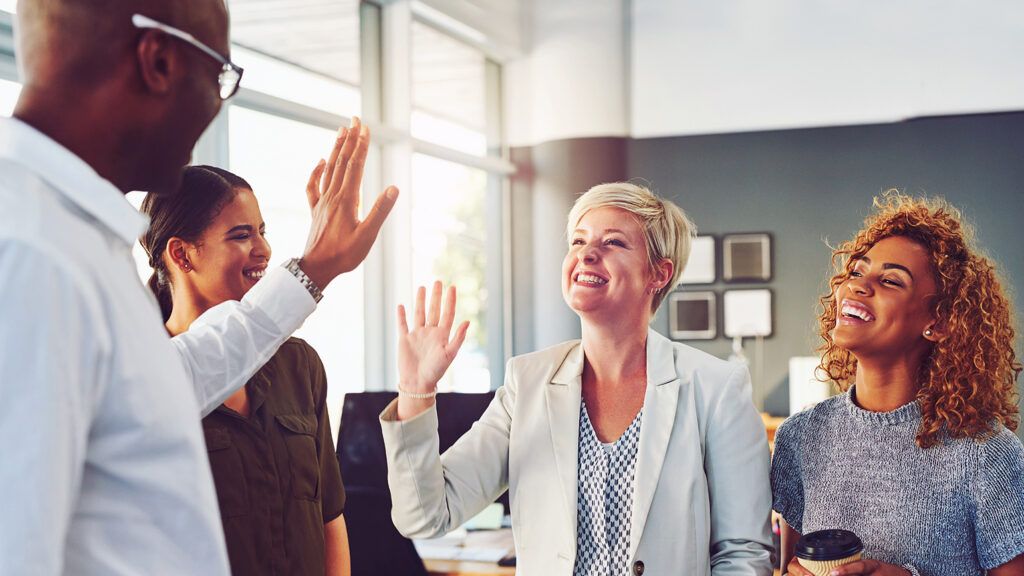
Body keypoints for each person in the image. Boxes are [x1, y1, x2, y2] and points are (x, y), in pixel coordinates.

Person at [0, 0, 397, 573]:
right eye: (219, 76)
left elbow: (172, 380)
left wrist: (314, 269)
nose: (217, 103)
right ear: (157, 60)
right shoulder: (30, 254)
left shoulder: (71, 238)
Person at [381, 182, 774, 575]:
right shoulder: (527, 384)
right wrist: (417, 390)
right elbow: (426, 516)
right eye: (578, 241)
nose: (587, 253)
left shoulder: (717, 388)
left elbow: (743, 554)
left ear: (658, 273)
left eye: (614, 243)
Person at [771, 192, 1024, 576]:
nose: (857, 286)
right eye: (856, 272)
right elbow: (786, 567)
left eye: (890, 280)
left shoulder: (987, 453)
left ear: (938, 323)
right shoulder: (800, 437)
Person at [139, 165, 350, 576]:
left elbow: (329, 517)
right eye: (241, 235)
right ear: (182, 254)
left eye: (262, 230)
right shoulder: (142, 377)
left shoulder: (298, 364)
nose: (264, 249)